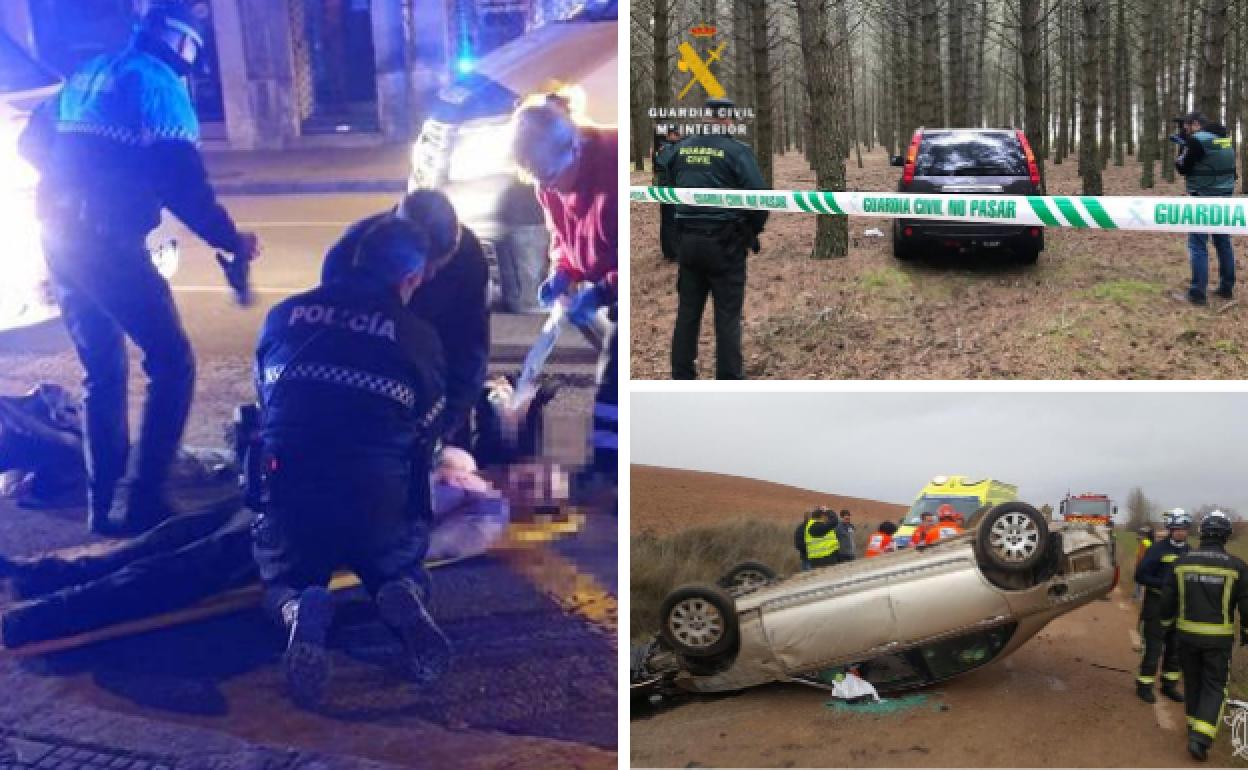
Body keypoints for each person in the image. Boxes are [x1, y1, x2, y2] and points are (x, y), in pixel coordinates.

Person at [18, 2, 260, 536]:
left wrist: (76, 179)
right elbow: (184, 184)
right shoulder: (157, 84)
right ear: (184, 44)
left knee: (103, 373)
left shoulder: (90, 73)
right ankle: (144, 497)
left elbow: (30, 142)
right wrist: (230, 240)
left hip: (59, 238)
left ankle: (103, 506)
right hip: (106, 244)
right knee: (172, 361)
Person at [0, 447, 511, 650]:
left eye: (537, 487)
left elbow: (432, 542)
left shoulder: (487, 512)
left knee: (178, 568)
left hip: (316, 529)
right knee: (167, 539)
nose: (525, 480)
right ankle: (43, 575)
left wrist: (470, 494)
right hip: (299, 495)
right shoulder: (459, 461)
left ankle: (43, 615)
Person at [252, 212, 451, 705]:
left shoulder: (282, 315)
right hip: (376, 498)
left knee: (282, 577)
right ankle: (400, 591)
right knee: (398, 562)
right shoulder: (417, 336)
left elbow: (267, 407)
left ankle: (299, 607)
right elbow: (428, 426)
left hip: (290, 493)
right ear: (408, 279)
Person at [322, 190, 488, 447]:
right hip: (368, 393)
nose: (429, 277)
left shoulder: (467, 255)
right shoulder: (348, 253)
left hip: (437, 386)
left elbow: (470, 345)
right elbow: (337, 347)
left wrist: (450, 422)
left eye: (439, 266)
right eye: (425, 266)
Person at [511, 97, 618, 490]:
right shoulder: (550, 179)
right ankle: (607, 463)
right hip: (602, 282)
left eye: (550, 176)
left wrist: (604, 290)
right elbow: (562, 236)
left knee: (614, 372)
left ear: (574, 147)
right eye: (536, 179)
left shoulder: (616, 168)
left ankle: (610, 471)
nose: (545, 187)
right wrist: (562, 271)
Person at [656, 97, 769, 380]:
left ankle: (681, 375)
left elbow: (666, 190)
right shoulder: (737, 151)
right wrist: (750, 231)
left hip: (688, 244)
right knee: (727, 316)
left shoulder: (680, 149)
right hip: (725, 244)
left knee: (687, 313)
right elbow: (759, 198)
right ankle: (729, 379)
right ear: (728, 120)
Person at [1160, 510, 1248, 761]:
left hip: (1186, 635)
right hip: (1218, 640)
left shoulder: (1182, 562)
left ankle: (1193, 727)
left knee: (1193, 681)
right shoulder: (1237, 566)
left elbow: (1168, 598)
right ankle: (1201, 737)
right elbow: (1247, 604)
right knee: (1215, 685)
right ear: (1227, 536)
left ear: (1201, 533)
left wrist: (1166, 623)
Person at [1172, 111, 1238, 306]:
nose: (1185, 131)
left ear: (1194, 124)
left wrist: (1183, 147)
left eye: (1186, 127)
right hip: (1225, 194)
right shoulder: (1224, 139)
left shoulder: (1197, 141)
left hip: (1202, 195)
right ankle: (1226, 287)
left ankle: (1197, 293)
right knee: (1222, 241)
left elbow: (1182, 168)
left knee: (1197, 243)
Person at [1134, 508, 1191, 704]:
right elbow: (1140, 576)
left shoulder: (1189, 552)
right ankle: (1144, 686)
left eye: (1184, 529)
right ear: (1170, 529)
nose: (1180, 532)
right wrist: (1164, 584)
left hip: (1179, 607)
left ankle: (1169, 686)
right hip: (1157, 605)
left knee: (1175, 649)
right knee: (1154, 648)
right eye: (1177, 529)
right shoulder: (1157, 550)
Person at [654, 127, 682, 262]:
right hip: (667, 189)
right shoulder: (665, 149)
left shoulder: (668, 147)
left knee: (669, 220)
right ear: (669, 135)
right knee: (670, 221)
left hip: (669, 188)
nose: (679, 136)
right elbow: (666, 165)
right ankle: (672, 252)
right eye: (676, 134)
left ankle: (670, 251)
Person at [1134, 525, 1156, 601]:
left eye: (1143, 534)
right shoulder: (1152, 542)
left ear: (1146, 534)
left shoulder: (1145, 542)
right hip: (1148, 563)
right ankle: (1138, 596)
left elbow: (1141, 555)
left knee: (1139, 580)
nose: (1141, 535)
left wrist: (1138, 564)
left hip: (1142, 563)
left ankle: (1137, 597)